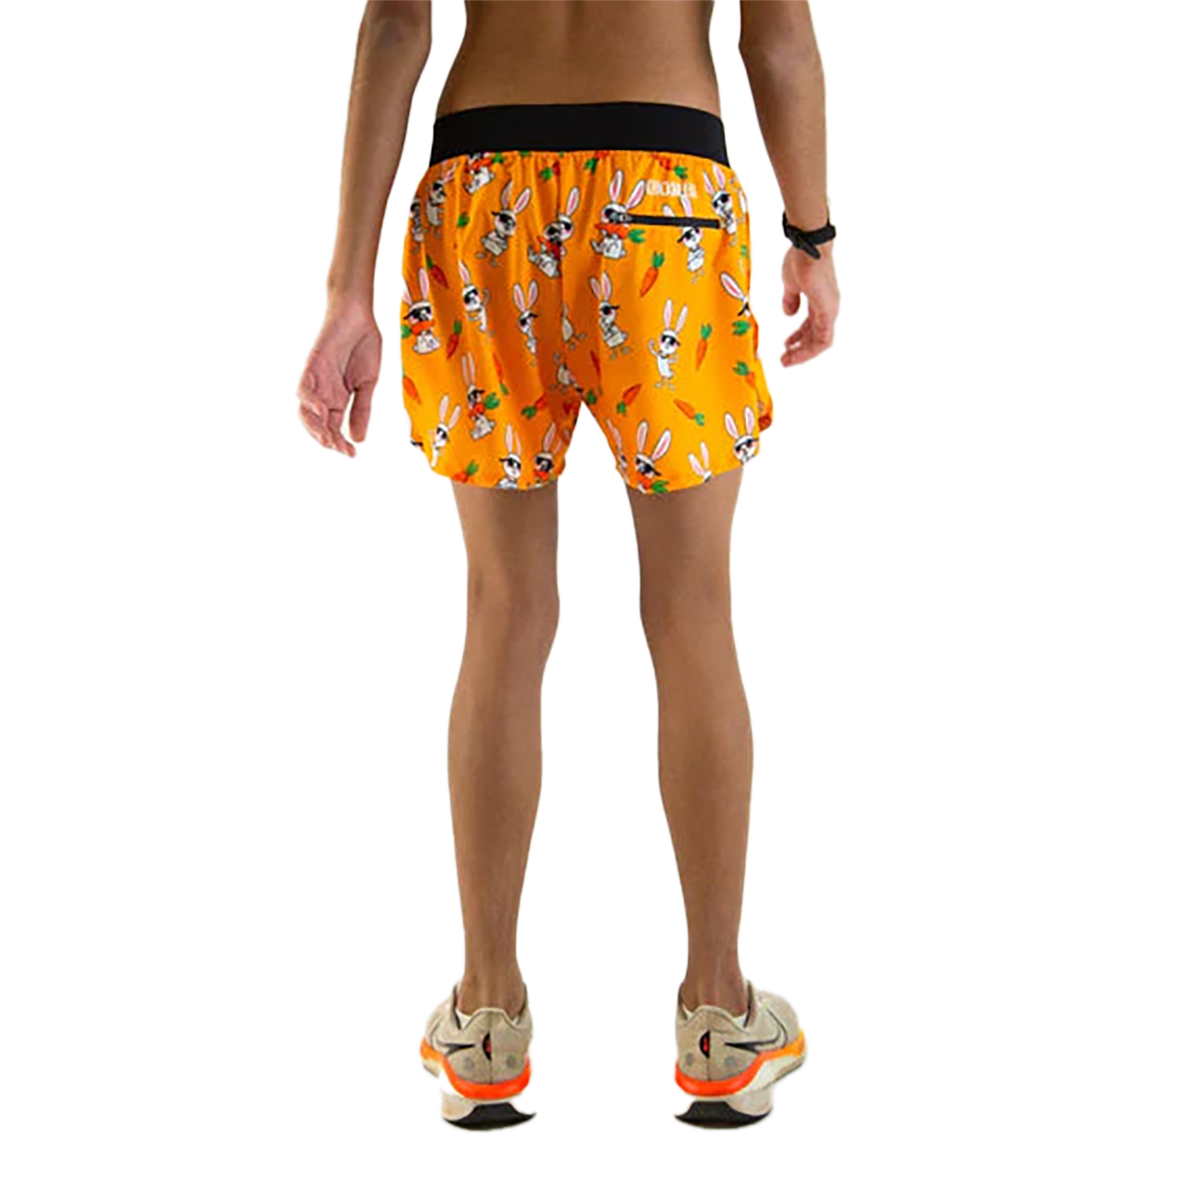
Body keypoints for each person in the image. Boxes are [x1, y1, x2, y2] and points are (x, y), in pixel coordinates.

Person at [296, 0, 840, 1128]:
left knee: (503, 611)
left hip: (482, 190)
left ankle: (486, 1021)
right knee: (692, 612)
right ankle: (719, 1018)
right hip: (665, 194)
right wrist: (813, 233)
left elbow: (394, 27)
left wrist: (347, 287)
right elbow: (777, 38)